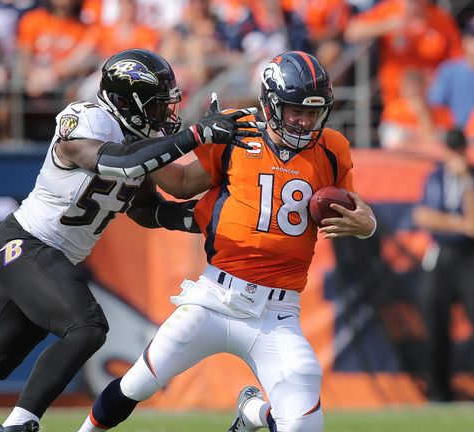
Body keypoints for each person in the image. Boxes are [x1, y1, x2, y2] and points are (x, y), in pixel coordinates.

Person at [0, 48, 261, 432]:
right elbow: (117, 161)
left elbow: (149, 205)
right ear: (127, 103)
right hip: (24, 244)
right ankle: (20, 423)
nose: (165, 113)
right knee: (86, 327)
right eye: (156, 104)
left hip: (49, 257)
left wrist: (216, 209)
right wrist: (194, 135)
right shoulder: (86, 119)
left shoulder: (141, 143)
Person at [75, 51, 376, 432]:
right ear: (270, 104)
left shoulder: (332, 149)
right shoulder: (238, 131)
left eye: (312, 113)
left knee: (303, 426)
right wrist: (151, 145)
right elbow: (183, 184)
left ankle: (255, 415)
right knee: (139, 381)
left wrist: (368, 223)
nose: (303, 121)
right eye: (293, 110)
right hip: (215, 299)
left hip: (278, 313)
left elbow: (355, 211)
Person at [413, 128, 474, 402]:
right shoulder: (435, 177)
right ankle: (439, 389)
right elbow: (424, 216)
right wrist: (459, 224)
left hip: (471, 255)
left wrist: (466, 183)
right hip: (442, 252)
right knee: (434, 319)